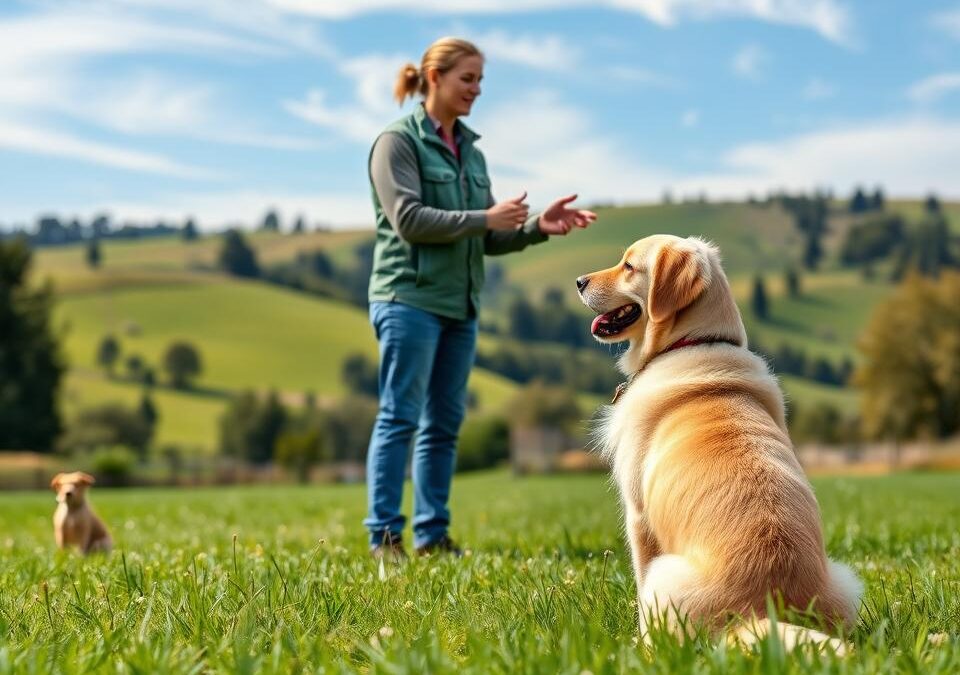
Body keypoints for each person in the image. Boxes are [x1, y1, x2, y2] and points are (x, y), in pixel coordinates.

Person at [365, 36, 596, 558]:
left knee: (443, 425)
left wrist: (539, 226)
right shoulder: (396, 143)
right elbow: (409, 220)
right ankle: (384, 537)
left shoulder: (472, 152)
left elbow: (487, 238)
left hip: (459, 306)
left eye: (480, 81)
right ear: (434, 77)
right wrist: (484, 218)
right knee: (399, 416)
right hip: (408, 299)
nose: (476, 90)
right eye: (467, 79)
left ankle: (432, 536)